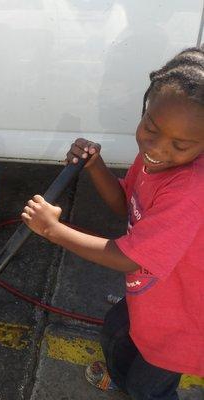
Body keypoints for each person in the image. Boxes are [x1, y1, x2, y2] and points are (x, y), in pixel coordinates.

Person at [22, 46, 204, 400]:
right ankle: (123, 378)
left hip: (185, 320)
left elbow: (129, 257)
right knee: (115, 333)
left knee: (149, 385)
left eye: (180, 144)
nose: (158, 148)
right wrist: (95, 166)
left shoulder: (190, 192)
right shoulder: (157, 159)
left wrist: (53, 230)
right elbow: (126, 203)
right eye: (150, 128)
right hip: (153, 296)